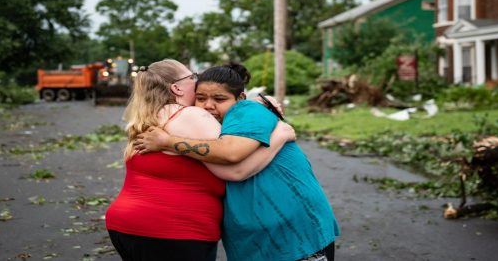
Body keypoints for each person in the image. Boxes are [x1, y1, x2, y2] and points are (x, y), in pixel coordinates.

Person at [134, 63, 340, 261]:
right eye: (200, 97)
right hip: (258, 237)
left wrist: (167, 141)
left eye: (219, 98)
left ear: (239, 99)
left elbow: (232, 157)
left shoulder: (246, 111)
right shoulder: (215, 122)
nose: (208, 105)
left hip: (295, 232)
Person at [105, 59, 295, 261]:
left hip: (125, 224)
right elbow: (233, 168)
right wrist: (279, 136)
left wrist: (248, 103)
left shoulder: (148, 116)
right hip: (173, 230)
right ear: (177, 88)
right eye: (192, 77)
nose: (197, 80)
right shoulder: (189, 115)